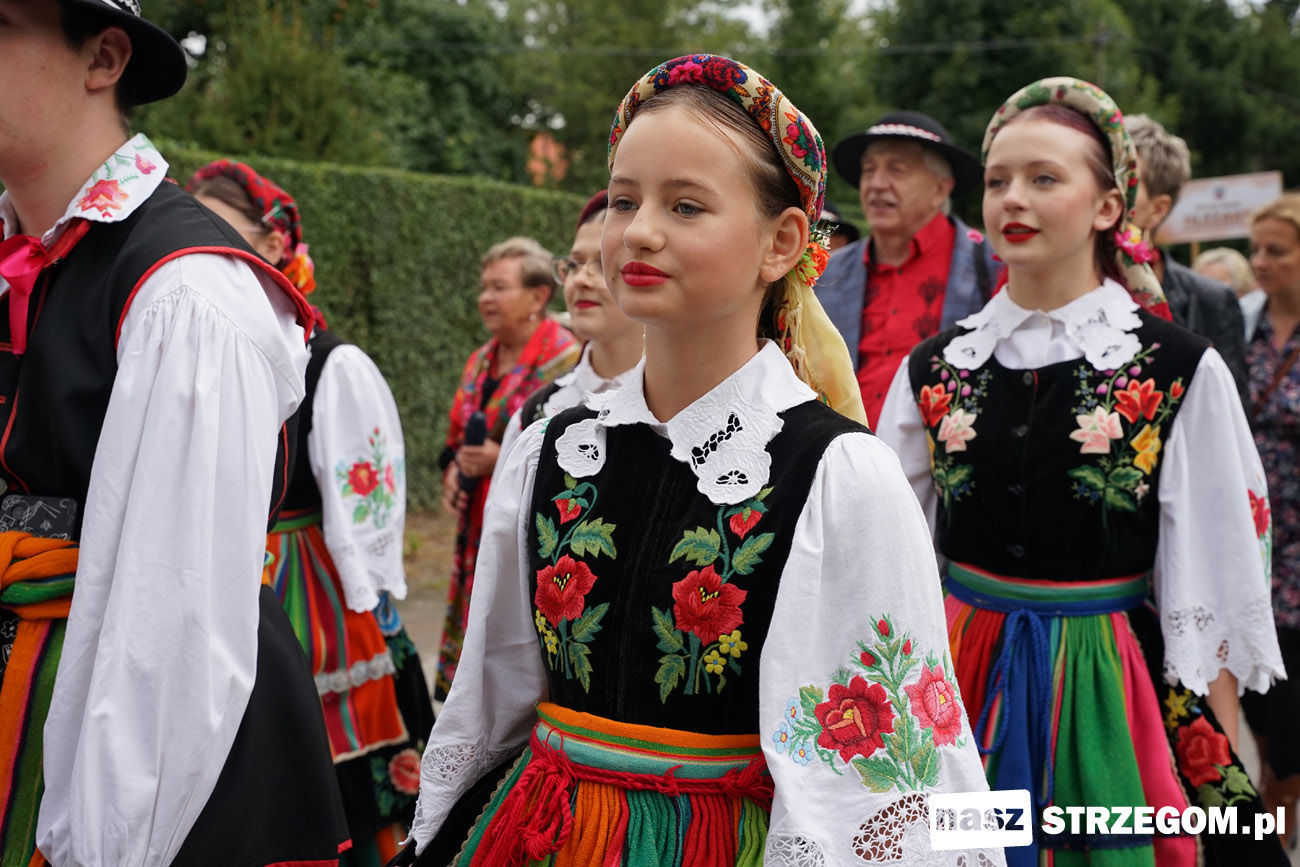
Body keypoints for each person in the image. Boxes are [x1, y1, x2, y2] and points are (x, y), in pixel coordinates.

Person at [398, 54, 1000, 867]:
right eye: (624, 200)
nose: (640, 230)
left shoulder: (839, 475)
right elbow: (491, 695)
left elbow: (888, 777)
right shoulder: (551, 445)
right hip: (539, 834)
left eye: (685, 205)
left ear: (782, 242)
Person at [878, 77, 1286, 867]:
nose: (1013, 198)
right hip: (963, 676)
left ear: (1107, 207)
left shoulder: (1175, 367)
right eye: (999, 180)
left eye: (1044, 178)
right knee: (962, 846)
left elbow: (1211, 570)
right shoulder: (935, 367)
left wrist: (1218, 727)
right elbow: (894, 553)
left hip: (1109, 681)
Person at [0, 0, 348, 863]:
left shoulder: (185, 293)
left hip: (135, 763)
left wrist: (102, 842)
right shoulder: (25, 254)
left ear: (102, 59)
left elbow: (170, 634)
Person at [188, 160, 435, 866]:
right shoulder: (202, 342)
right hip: (227, 565)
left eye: (219, 229)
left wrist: (365, 599)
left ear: (273, 243)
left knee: (323, 753)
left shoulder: (331, 362)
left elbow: (369, 501)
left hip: (313, 583)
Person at [434, 238, 579, 700]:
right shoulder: (482, 359)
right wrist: (454, 468)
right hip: (476, 521)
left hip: (532, 523)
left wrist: (503, 460)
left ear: (538, 296)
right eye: (484, 287)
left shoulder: (568, 362)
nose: (486, 298)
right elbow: (455, 436)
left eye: (499, 287)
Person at [818, 110, 999, 426]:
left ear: (940, 189)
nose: (876, 184)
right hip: (845, 449)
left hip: (944, 450)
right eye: (869, 170)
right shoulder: (826, 274)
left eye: (896, 170)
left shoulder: (990, 266)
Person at [499, 190, 643, 460]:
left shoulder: (685, 409)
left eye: (603, 263)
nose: (581, 279)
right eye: (575, 264)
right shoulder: (537, 413)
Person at [1241, 193, 1300, 846]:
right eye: (1255, 249)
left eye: (1276, 251)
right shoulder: (1244, 323)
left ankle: (1280, 796)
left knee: (1289, 674)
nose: (1260, 261)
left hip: (1298, 540)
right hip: (1253, 528)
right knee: (1258, 674)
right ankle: (1276, 779)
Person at [1125, 114, 1249, 403]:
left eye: (1126, 180)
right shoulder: (1056, 288)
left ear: (1158, 209)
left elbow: (1227, 412)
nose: (1105, 192)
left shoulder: (1210, 300)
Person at [1195, 246, 1265, 339]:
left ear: (1241, 287)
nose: (1206, 293)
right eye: (1201, 286)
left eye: (1216, 286)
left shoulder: (1257, 321)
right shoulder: (1195, 324)